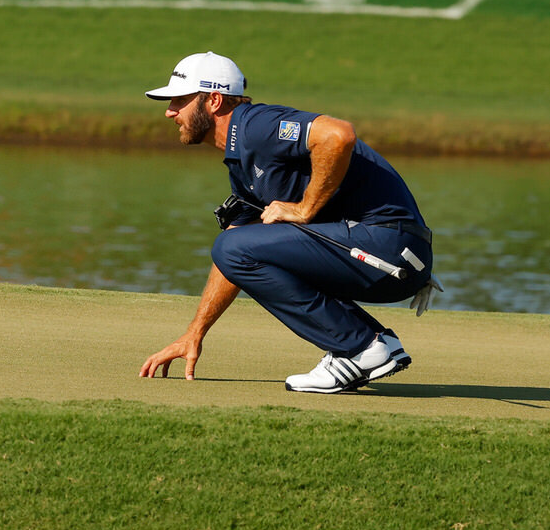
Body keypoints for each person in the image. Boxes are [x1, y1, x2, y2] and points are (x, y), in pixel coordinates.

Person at [137, 51, 438, 393]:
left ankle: (359, 348)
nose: (169, 111)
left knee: (234, 247)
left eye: (179, 100)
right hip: (385, 255)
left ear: (214, 100)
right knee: (236, 247)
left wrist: (304, 209)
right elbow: (234, 257)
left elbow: (338, 135)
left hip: (390, 251)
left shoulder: (255, 126)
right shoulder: (240, 161)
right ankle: (372, 342)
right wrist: (194, 333)